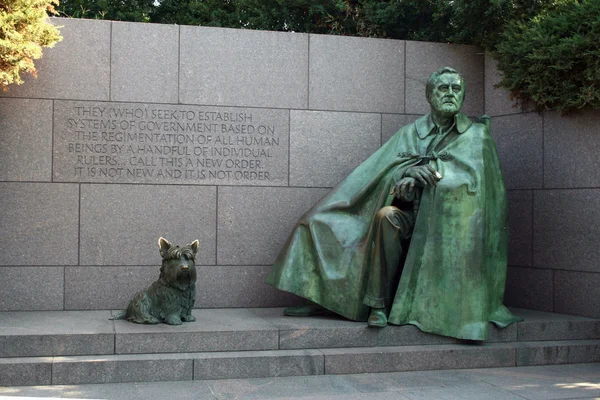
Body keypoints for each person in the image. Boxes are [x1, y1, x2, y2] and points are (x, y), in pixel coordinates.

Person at [266, 67, 522, 341]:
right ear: (429, 95)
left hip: (445, 227)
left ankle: (385, 304)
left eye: (455, 89)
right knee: (334, 220)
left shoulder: (476, 136)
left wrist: (432, 177)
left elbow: (479, 190)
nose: (450, 94)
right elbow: (379, 172)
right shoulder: (410, 133)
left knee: (388, 217)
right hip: (408, 216)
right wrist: (404, 175)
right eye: (442, 88)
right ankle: (342, 299)